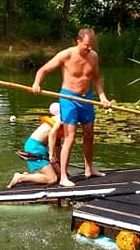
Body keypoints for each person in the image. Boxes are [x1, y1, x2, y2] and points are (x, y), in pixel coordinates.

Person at [31, 28, 112, 187]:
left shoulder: (94, 56)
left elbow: (96, 79)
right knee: (70, 136)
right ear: (78, 41)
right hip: (69, 99)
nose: (89, 48)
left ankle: (89, 168)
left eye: (92, 45)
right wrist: (36, 84)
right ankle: (63, 177)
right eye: (87, 45)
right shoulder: (66, 55)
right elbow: (44, 70)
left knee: (89, 133)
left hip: (86, 99)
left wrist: (102, 97)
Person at [7, 103, 63, 188]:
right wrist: (51, 154)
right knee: (52, 179)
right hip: (34, 147)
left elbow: (57, 145)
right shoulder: (62, 118)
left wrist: (59, 163)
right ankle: (21, 177)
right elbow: (52, 134)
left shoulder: (60, 120)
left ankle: (28, 175)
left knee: (59, 175)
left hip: (40, 148)